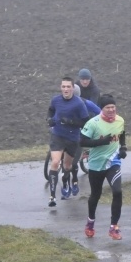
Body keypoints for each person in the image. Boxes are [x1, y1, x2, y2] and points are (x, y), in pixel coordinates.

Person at [80, 94, 127, 240]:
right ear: (102, 108)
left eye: (113, 107)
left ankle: (114, 227)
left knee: (117, 192)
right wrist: (101, 142)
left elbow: (122, 134)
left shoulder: (120, 120)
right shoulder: (93, 123)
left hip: (113, 162)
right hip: (96, 163)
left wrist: (123, 148)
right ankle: (90, 223)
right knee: (96, 195)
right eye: (108, 107)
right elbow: (82, 142)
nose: (112, 110)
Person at [46, 77, 90, 207]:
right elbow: (51, 110)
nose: (65, 89)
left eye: (68, 87)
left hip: (72, 138)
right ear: (61, 88)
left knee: (67, 167)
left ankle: (69, 181)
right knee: (54, 162)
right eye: (63, 87)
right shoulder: (55, 100)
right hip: (57, 136)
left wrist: (71, 122)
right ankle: (52, 197)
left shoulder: (78, 103)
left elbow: (85, 122)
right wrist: (49, 119)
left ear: (72, 88)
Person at [69, 68, 103, 194]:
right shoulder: (76, 86)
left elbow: (91, 105)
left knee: (87, 124)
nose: (84, 82)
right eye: (82, 79)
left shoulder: (94, 90)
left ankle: (87, 148)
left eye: (87, 79)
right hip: (78, 109)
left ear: (90, 79)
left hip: (90, 110)